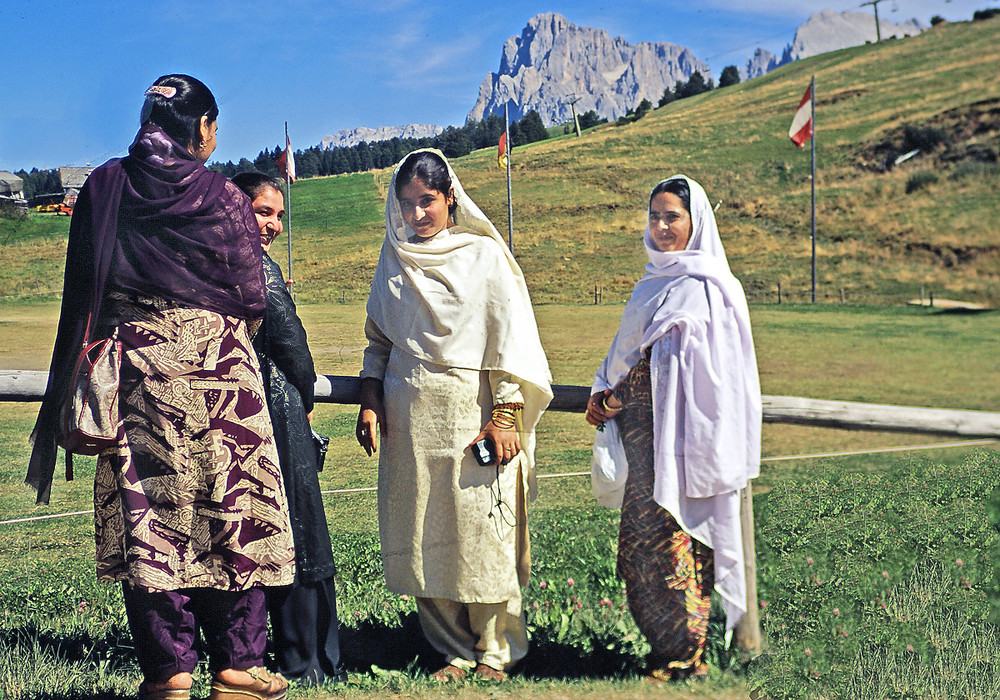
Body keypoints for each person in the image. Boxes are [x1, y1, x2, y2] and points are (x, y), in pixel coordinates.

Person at [26, 75, 294, 700]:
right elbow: (251, 295)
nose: (214, 138)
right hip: (221, 374)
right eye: (214, 127)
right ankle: (238, 664)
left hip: (138, 374)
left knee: (150, 516)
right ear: (200, 128)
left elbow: (83, 289)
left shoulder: (105, 186)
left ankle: (169, 671)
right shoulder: (224, 200)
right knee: (235, 508)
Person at [356, 149, 552, 682]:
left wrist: (507, 414)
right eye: (407, 205)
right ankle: (452, 650)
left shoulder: (483, 256)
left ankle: (496, 650)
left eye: (428, 202)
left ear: (450, 200)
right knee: (424, 530)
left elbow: (508, 341)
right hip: (410, 420)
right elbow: (378, 342)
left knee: (482, 530)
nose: (417, 215)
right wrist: (371, 400)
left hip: (475, 412)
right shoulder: (393, 256)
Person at [585, 175, 761, 683]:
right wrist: (603, 394)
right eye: (655, 216)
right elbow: (626, 356)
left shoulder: (709, 287)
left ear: (695, 223)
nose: (662, 227)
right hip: (643, 446)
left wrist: (614, 396)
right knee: (641, 552)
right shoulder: (652, 285)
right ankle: (663, 651)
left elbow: (671, 365)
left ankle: (689, 656)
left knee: (681, 547)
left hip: (685, 444)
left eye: (673, 217)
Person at [232, 172, 346, 686]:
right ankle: (312, 661)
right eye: (263, 212)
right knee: (302, 526)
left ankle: (270, 652)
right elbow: (292, 347)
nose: (273, 225)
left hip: (236, 412)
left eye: (279, 215)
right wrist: (303, 394)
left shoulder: (211, 260)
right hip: (277, 405)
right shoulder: (260, 267)